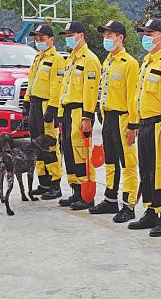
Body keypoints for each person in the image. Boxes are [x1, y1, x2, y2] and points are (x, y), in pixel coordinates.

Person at [127, 18, 161, 237]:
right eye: (144, 34)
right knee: (147, 170)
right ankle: (150, 211)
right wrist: (133, 123)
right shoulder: (146, 62)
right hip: (145, 125)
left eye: (149, 34)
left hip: (160, 125)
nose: (146, 37)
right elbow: (138, 96)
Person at [88, 20, 140, 223]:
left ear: (120, 37)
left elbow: (133, 97)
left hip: (123, 117)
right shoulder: (107, 61)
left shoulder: (130, 63)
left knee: (127, 162)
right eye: (104, 35)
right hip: (108, 117)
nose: (106, 38)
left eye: (109, 35)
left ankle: (129, 204)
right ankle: (110, 199)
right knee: (110, 160)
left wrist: (133, 124)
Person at [57, 21, 101, 210]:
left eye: (71, 35)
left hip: (80, 112)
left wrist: (87, 117)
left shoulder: (89, 59)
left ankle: (87, 196)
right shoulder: (71, 60)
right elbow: (64, 88)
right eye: (66, 35)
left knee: (82, 154)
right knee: (69, 153)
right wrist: (60, 114)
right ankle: (75, 191)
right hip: (68, 111)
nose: (68, 38)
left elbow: (90, 91)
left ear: (81, 35)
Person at [23, 23, 65, 200]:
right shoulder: (38, 57)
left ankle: (55, 184)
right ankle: (43, 182)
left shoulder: (57, 59)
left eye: (42, 38)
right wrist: (26, 101)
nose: (38, 41)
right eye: (36, 39)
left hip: (47, 106)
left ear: (51, 40)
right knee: (36, 144)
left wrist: (53, 107)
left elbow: (57, 85)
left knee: (50, 146)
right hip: (35, 104)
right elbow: (31, 80)